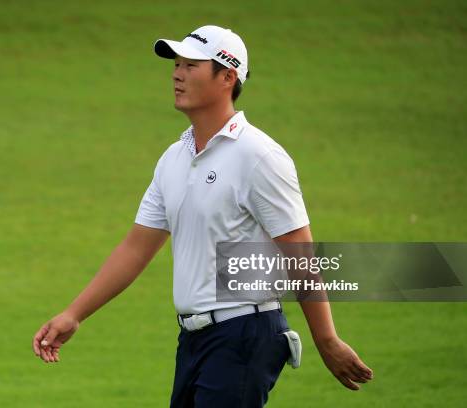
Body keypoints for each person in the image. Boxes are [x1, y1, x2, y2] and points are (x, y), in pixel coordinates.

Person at [32, 25, 373, 407]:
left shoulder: (258, 156)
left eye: (191, 65)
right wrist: (74, 314)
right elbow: (135, 248)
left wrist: (326, 340)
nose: (177, 74)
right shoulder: (173, 158)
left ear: (227, 77)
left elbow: (300, 252)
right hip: (194, 340)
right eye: (176, 64)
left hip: (245, 333)